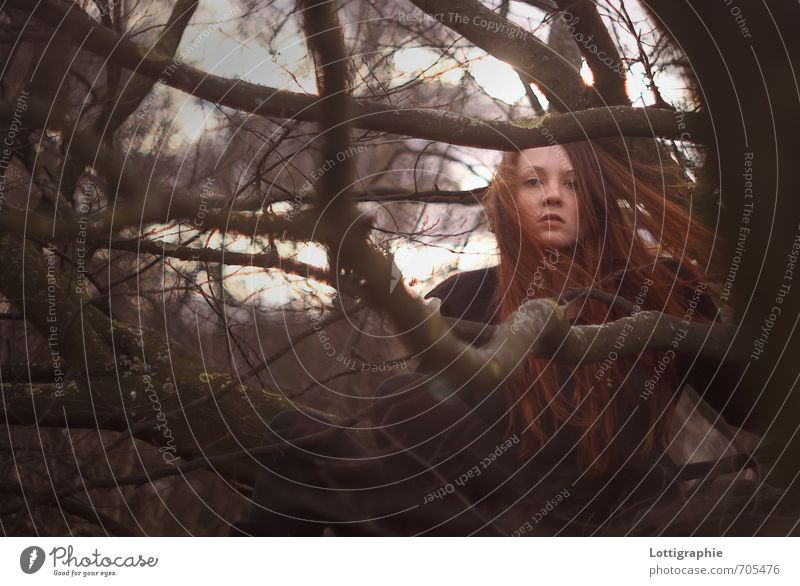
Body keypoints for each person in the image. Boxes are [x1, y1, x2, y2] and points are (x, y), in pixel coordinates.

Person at [230, 137, 799, 536]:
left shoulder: (666, 288)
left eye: (572, 184)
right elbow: (434, 441)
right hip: (490, 524)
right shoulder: (465, 296)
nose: (552, 196)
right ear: (510, 197)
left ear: (598, 198)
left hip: (631, 522)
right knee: (317, 430)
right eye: (533, 181)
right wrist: (389, 295)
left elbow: (757, 412)